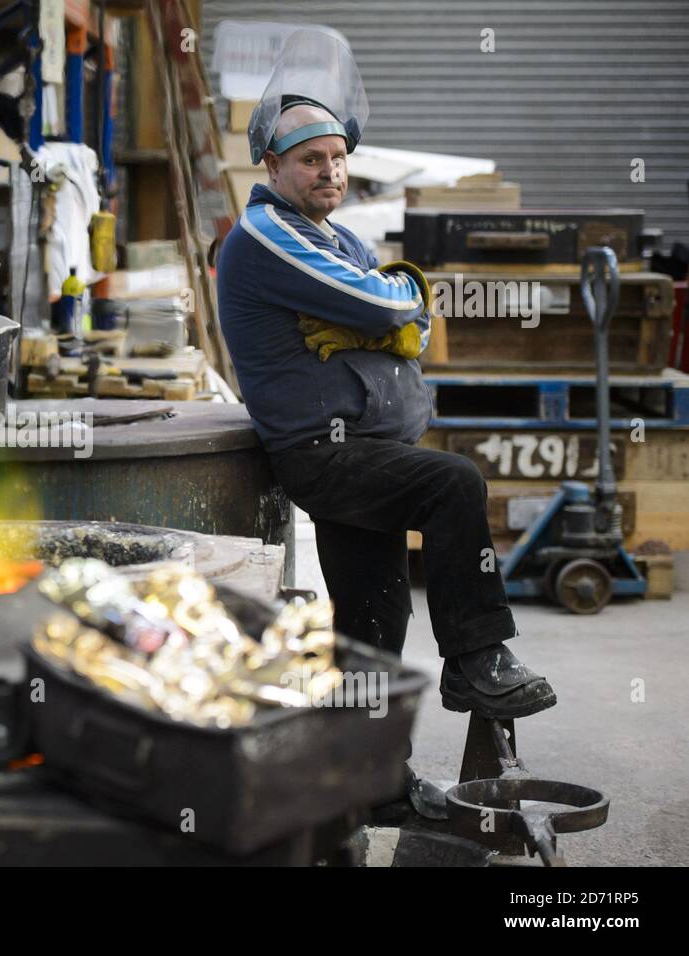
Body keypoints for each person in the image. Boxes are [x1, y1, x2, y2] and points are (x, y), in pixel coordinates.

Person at [216, 31, 556, 721]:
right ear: (274, 165)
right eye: (313, 160)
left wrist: (391, 311)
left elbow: (413, 327)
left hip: (369, 450)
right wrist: (387, 308)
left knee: (373, 624)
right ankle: (476, 662)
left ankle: (374, 786)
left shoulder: (339, 239)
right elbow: (388, 305)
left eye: (340, 159)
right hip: (324, 452)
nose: (331, 173)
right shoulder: (264, 235)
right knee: (454, 484)